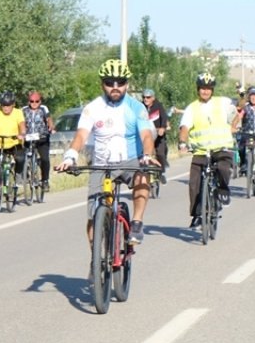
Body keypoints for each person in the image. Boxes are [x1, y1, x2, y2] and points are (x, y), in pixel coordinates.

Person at [54, 59, 158, 246]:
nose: (115, 87)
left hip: (131, 159)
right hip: (101, 163)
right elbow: (81, 135)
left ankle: (136, 223)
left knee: (143, 178)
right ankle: (96, 261)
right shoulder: (92, 108)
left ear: (127, 83)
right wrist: (70, 156)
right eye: (110, 83)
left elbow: (146, 136)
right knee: (93, 216)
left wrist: (148, 156)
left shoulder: (136, 108)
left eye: (120, 82)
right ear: (102, 84)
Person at [177, 72, 236, 228]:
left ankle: (223, 190)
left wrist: (235, 124)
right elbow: (184, 127)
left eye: (208, 88)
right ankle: (197, 214)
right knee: (194, 182)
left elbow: (238, 109)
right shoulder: (192, 108)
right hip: (201, 151)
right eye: (202, 88)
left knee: (224, 168)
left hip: (221, 148)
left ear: (212, 90)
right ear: (198, 89)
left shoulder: (222, 102)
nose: (205, 91)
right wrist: (182, 143)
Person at [21, 91, 55, 190]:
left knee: (45, 159)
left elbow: (49, 119)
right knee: (21, 157)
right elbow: (19, 122)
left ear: (40, 101)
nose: (34, 103)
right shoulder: (23, 110)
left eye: (37, 101)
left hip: (42, 137)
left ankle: (45, 180)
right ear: (29, 101)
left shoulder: (43, 108)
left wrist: (51, 127)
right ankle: (26, 174)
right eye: (32, 101)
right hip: (28, 137)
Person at [142, 89, 170, 179]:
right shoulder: (140, 106)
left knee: (161, 153)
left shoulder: (158, 106)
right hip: (145, 134)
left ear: (153, 98)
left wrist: (162, 127)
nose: (145, 99)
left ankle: (161, 171)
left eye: (148, 97)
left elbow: (164, 117)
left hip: (158, 134)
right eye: (144, 97)